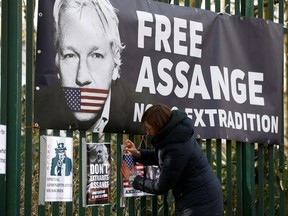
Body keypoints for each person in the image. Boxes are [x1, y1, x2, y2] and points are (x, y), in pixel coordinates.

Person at [35, 0, 134, 133]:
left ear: (115, 64)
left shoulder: (138, 107)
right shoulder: (41, 107)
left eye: (96, 55)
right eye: (70, 55)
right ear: (57, 61)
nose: (82, 77)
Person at [121, 104, 223, 216]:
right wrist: (138, 154)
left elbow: (161, 186)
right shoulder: (173, 136)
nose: (147, 132)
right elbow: (163, 157)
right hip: (197, 197)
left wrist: (132, 178)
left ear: (158, 126)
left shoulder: (177, 147)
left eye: (149, 128)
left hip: (201, 203)